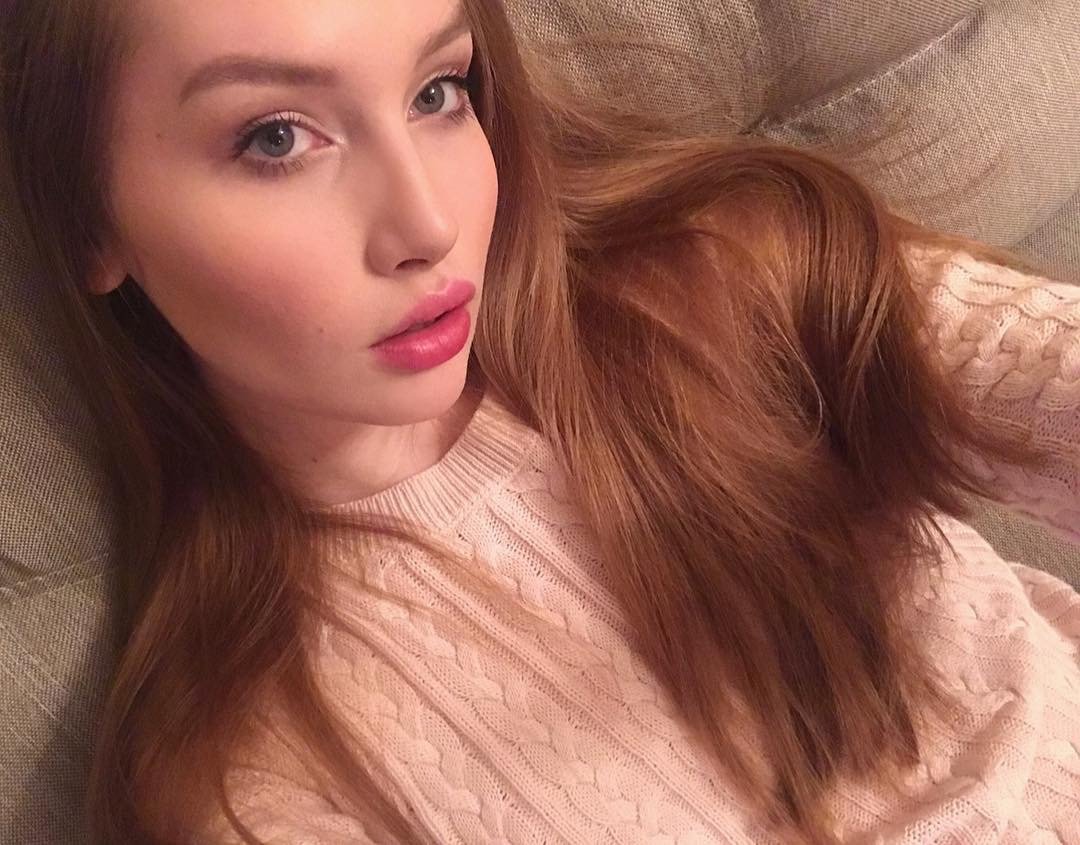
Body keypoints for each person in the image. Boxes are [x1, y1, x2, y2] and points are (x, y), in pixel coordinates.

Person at [1, 0, 1078, 842]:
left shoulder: (708, 277)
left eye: (438, 91)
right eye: (277, 137)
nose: (427, 222)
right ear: (95, 221)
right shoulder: (252, 777)